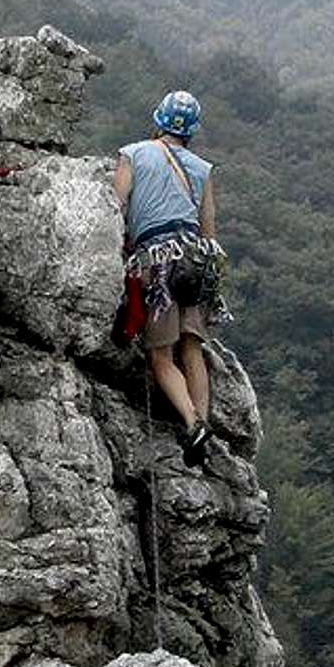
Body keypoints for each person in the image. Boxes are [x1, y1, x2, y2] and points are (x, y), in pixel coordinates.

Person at [114, 90, 217, 461]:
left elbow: (116, 206)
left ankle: (193, 424)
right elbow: (209, 232)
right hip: (195, 262)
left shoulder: (133, 154)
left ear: (158, 120)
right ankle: (203, 424)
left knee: (161, 356)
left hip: (157, 262)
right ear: (191, 131)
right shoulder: (202, 170)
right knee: (192, 347)